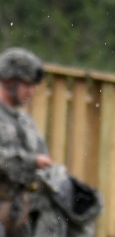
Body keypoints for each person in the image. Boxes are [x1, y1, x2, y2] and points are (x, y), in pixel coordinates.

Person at [0, 48, 101, 237]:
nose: (32, 91)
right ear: (9, 81)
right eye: (27, 85)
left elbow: (43, 163)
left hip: (23, 208)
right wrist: (30, 162)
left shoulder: (26, 122)